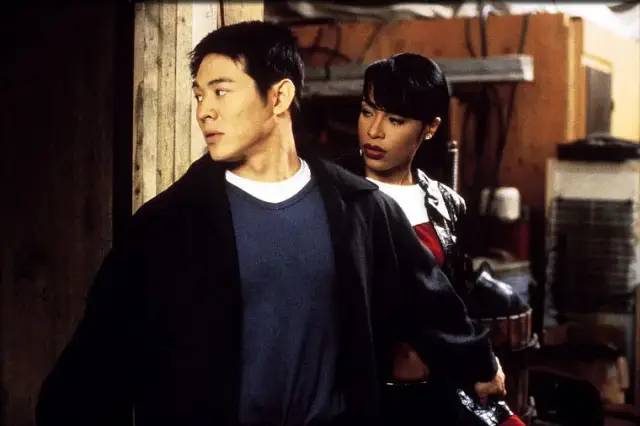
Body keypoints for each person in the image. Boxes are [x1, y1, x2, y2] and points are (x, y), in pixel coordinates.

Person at [36, 22, 504, 426]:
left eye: (221, 91)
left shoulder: (359, 208)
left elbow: (429, 300)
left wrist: (480, 363)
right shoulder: (166, 227)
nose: (204, 110)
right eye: (199, 95)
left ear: (279, 96)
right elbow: (94, 364)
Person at [342, 52, 526, 425]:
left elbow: (456, 300)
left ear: (430, 128)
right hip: (364, 396)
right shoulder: (337, 194)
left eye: (395, 120)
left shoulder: (447, 204)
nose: (374, 131)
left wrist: (480, 360)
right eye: (367, 112)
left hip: (438, 393)